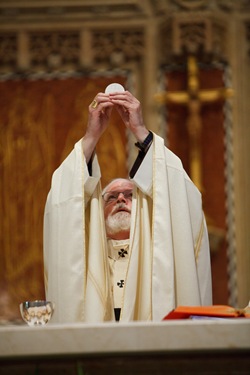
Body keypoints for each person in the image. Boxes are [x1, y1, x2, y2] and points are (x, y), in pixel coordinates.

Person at [43, 89, 212, 323]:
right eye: (111, 197)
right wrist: (91, 136)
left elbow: (182, 198)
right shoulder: (86, 257)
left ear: (149, 210)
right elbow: (62, 203)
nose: (121, 199)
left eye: (130, 195)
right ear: (96, 213)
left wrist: (140, 131)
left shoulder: (163, 253)